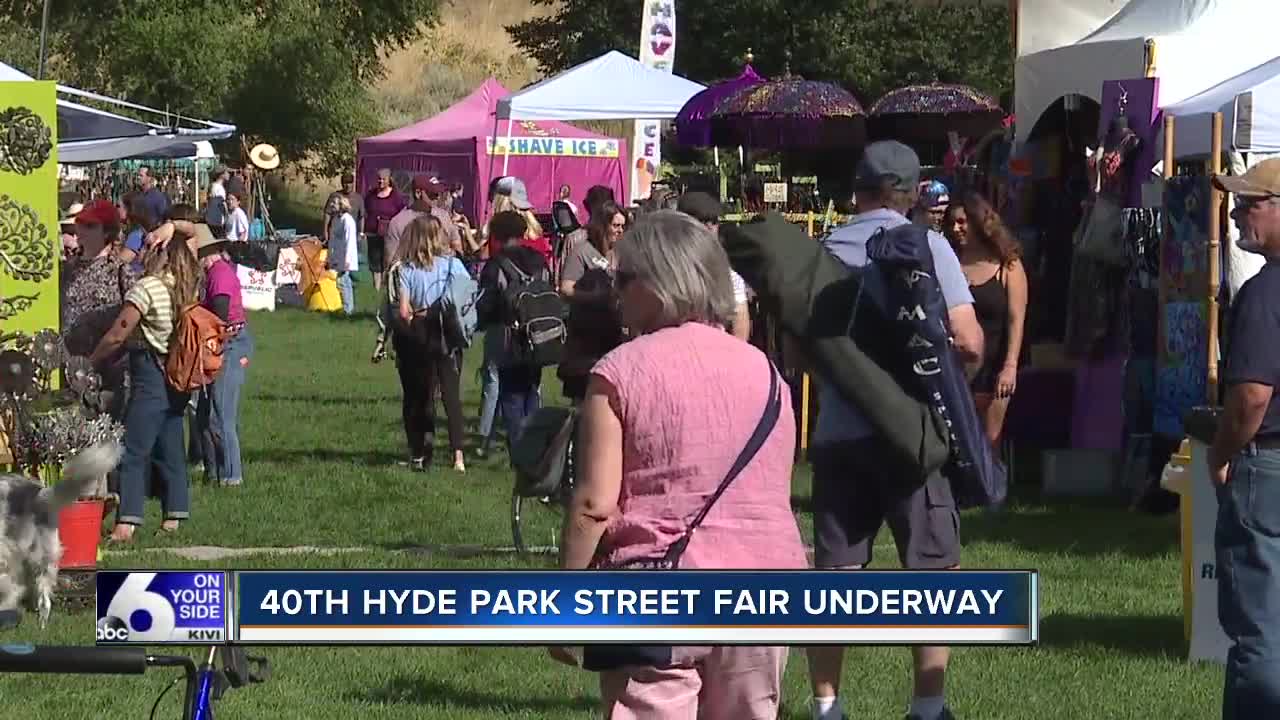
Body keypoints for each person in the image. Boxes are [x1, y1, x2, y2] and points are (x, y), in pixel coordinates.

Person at [550, 210, 806, 719]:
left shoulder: (620, 371)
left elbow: (594, 505)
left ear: (660, 282)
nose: (615, 291)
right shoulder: (769, 374)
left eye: (624, 279)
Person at [804, 141, 983, 720]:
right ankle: (928, 706)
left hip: (838, 434)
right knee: (933, 571)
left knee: (834, 575)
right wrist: (953, 384)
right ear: (908, 195)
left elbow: (796, 350)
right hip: (916, 435)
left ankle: (826, 706)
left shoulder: (822, 251)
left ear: (857, 190)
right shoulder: (928, 247)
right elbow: (970, 340)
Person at [1209, 159, 1280, 720]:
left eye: (1250, 202)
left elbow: (1251, 395)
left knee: (1260, 630)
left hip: (1269, 469)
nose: (1235, 212)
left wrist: (1223, 451)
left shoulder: (1263, 293)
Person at [90, 228, 206, 542]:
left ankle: (126, 522)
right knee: (170, 448)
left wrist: (92, 360)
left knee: (133, 449)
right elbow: (191, 230)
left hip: (150, 374)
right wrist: (170, 227)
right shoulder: (183, 287)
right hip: (178, 375)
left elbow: (118, 333)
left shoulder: (147, 288)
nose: (138, 250)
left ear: (155, 250)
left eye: (143, 245)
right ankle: (174, 516)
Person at [943, 192, 1028, 448]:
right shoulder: (949, 263)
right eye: (953, 223)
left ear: (979, 222)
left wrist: (1010, 367)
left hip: (995, 369)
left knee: (988, 445)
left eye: (962, 222)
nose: (956, 229)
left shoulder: (1008, 266)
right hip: (957, 369)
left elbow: (1016, 320)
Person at [388, 214, 471, 473]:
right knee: (451, 395)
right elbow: (467, 298)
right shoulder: (453, 265)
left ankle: (422, 452)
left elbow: (403, 311)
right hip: (449, 331)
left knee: (423, 394)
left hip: (422, 331)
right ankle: (458, 456)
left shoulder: (407, 269)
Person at [61, 199, 139, 422]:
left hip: (109, 372)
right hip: (69, 368)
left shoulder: (120, 271)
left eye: (90, 225)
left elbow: (132, 321)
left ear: (107, 232)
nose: (81, 230)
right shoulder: (67, 269)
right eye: (81, 224)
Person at [477, 211, 549, 447]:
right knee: (531, 389)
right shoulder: (540, 260)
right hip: (539, 333)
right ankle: (535, 443)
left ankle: (519, 448)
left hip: (507, 334)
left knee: (511, 394)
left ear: (497, 235)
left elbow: (486, 303)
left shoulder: (496, 265)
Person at [193, 232, 253, 487]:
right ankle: (214, 471)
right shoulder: (215, 273)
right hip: (220, 345)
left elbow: (218, 317)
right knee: (205, 415)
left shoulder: (219, 276)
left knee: (222, 415)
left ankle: (231, 475)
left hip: (228, 346)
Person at [558, 201, 627, 404]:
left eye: (623, 226)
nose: (620, 231)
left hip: (613, 332)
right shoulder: (583, 252)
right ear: (603, 225)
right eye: (616, 226)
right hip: (586, 334)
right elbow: (566, 288)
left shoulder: (621, 254)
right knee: (584, 394)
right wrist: (598, 296)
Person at [677, 191, 752, 341]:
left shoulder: (728, 275)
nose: (710, 227)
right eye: (704, 221)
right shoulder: (667, 268)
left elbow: (740, 326)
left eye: (714, 221)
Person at [364, 168, 408, 294]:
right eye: (379, 179)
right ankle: (376, 290)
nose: (380, 181)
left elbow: (402, 213)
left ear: (389, 180)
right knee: (375, 263)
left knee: (388, 261)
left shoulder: (396, 196)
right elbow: (367, 210)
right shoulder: (370, 195)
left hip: (390, 235)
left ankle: (388, 288)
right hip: (373, 234)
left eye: (383, 179)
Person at [328, 194, 359, 315]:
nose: (331, 205)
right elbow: (333, 239)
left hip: (345, 256)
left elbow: (349, 241)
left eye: (334, 203)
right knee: (341, 282)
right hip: (338, 255)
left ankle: (348, 309)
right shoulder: (336, 219)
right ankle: (345, 307)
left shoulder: (348, 220)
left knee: (343, 281)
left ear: (341, 205)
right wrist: (331, 257)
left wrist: (347, 260)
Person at [323, 172, 365, 244]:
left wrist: (361, 233)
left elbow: (361, 217)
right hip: (335, 233)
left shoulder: (358, 198)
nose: (348, 185)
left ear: (353, 183)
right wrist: (325, 231)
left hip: (351, 234)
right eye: (345, 183)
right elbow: (327, 214)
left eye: (349, 183)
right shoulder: (335, 196)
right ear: (342, 184)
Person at [205, 165, 230, 235]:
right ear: (221, 175)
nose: (228, 174)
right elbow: (222, 205)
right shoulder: (219, 189)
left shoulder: (213, 186)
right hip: (217, 219)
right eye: (226, 172)